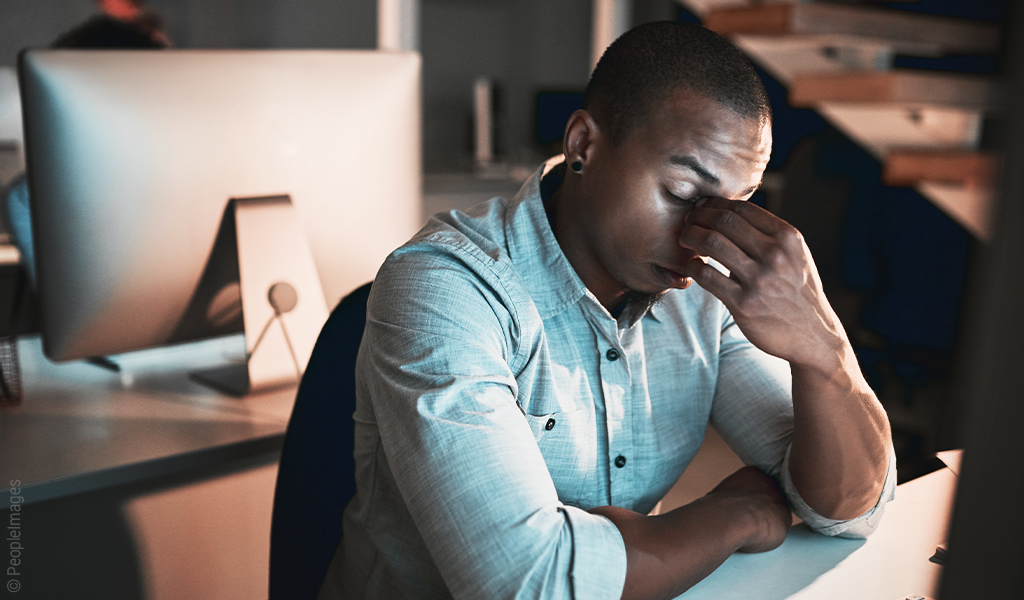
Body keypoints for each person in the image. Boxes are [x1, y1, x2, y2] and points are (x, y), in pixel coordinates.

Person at [319, 21, 896, 600]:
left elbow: (847, 510)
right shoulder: (446, 285)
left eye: (736, 204)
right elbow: (534, 585)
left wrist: (823, 349)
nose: (703, 237)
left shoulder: (701, 289)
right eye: (681, 195)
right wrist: (734, 512)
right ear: (583, 146)